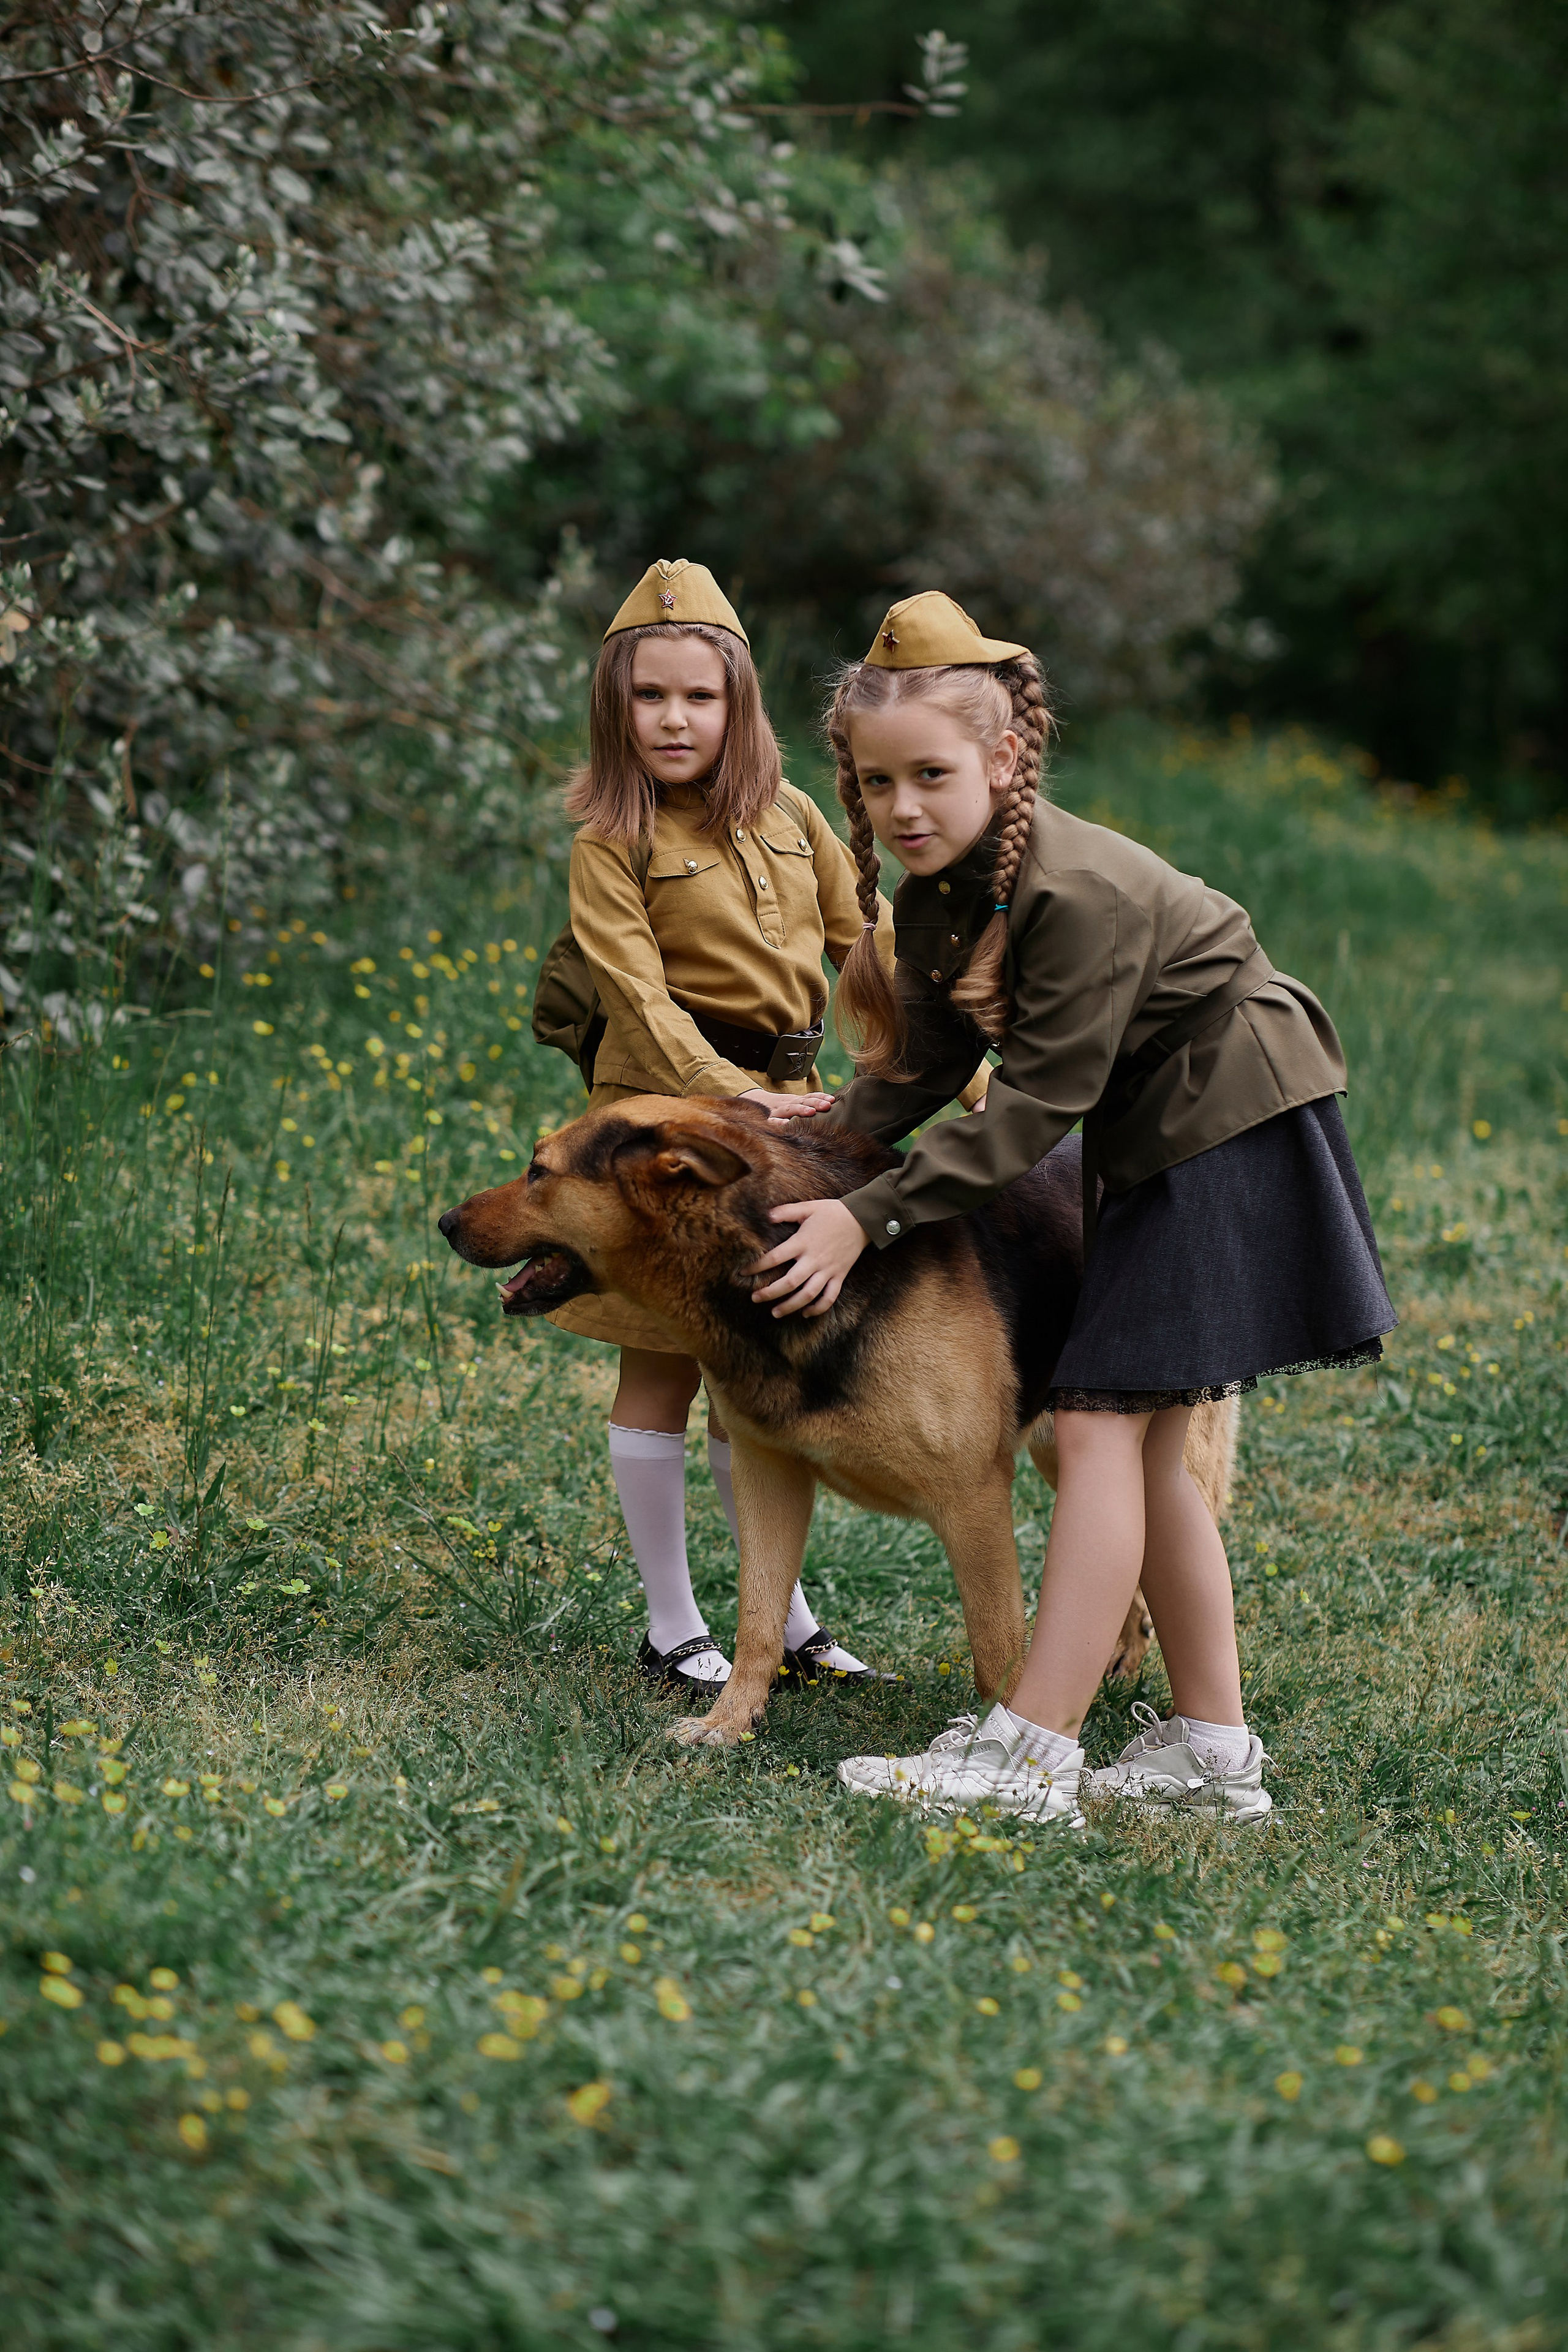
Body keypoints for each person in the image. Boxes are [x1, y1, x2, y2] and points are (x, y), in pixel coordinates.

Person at [749, 591, 1395, 1824]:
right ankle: (1209, 1754)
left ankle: (1026, 1757)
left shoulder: (1073, 889)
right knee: (1138, 1446)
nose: (902, 809)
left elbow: (1032, 1107)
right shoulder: (942, 886)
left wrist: (864, 1213)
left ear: (1002, 759)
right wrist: (835, 1134)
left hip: (1229, 1129)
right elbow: (929, 1064)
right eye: (876, 785)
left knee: (1099, 1427)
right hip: (1162, 1139)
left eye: (929, 776)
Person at [554, 560, 964, 1696]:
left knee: (761, 1369)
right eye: (649, 697)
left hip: (785, 1121)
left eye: (700, 696)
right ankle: (672, 1621)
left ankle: (775, 1617)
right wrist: (714, 1085)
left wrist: (958, 1062)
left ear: (739, 706)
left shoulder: (789, 817)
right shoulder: (611, 836)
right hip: (664, 1134)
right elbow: (633, 986)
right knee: (665, 1369)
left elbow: (864, 940)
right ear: (615, 707)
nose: (675, 719)